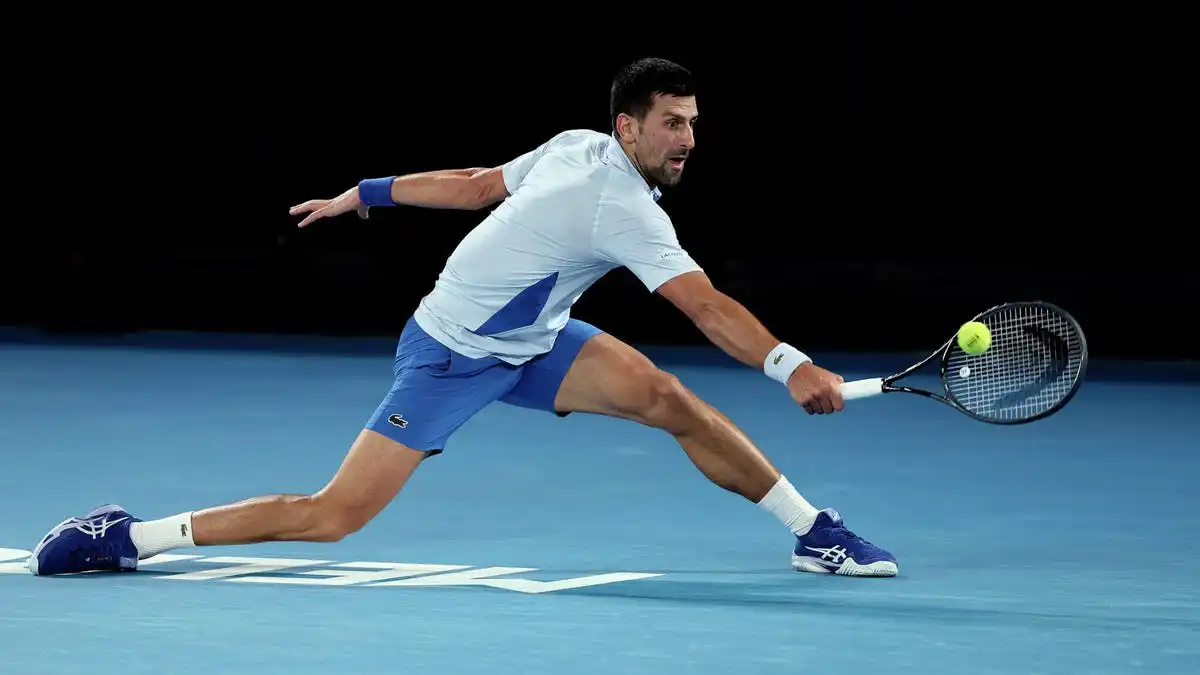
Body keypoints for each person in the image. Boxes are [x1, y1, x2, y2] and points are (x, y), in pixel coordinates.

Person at [28, 57, 897, 578]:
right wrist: (794, 365)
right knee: (335, 515)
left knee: (668, 398)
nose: (688, 142)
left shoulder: (583, 147)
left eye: (695, 125)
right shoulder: (617, 196)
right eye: (672, 125)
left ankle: (811, 532)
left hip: (537, 340)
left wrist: (367, 193)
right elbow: (701, 303)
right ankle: (129, 534)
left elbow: (480, 183)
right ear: (627, 127)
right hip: (449, 354)